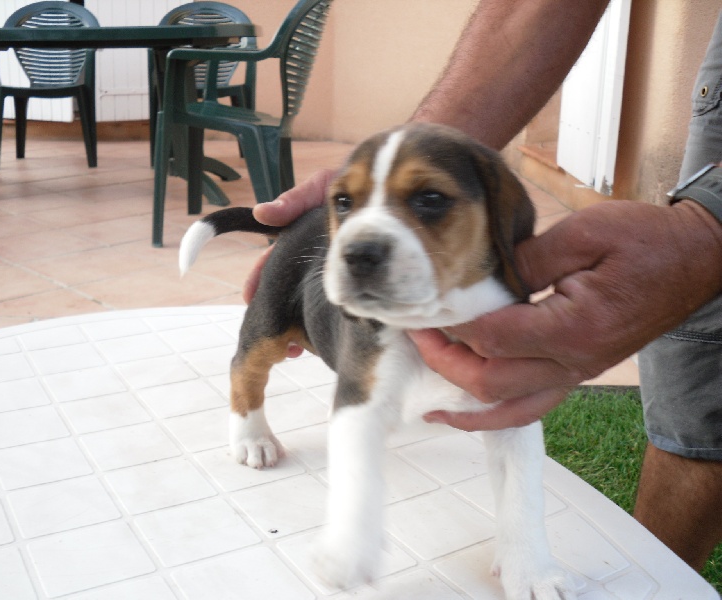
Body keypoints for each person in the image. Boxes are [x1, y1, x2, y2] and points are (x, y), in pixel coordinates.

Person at [243, 0, 722, 573]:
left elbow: (516, 427)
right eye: (346, 203)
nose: (362, 240)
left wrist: (708, 229)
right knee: (698, 397)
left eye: (429, 200)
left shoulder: (498, 284)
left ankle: (595, 565)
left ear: (501, 216)